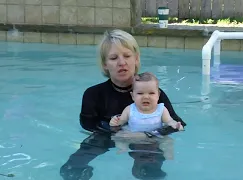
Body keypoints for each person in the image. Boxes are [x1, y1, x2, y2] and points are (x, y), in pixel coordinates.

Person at [60, 29, 186, 179]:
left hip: (148, 140)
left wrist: (144, 135)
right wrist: (118, 133)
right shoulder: (93, 94)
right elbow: (87, 124)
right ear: (105, 64)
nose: (122, 62)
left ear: (136, 59)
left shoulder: (152, 93)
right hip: (105, 138)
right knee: (70, 170)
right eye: (114, 58)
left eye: (127, 56)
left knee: (149, 173)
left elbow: (177, 124)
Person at [109, 72, 184, 155]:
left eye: (151, 93)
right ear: (133, 96)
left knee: (168, 141)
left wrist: (175, 125)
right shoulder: (130, 109)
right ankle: (123, 148)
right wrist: (114, 121)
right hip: (133, 137)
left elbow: (169, 121)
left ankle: (168, 154)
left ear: (158, 95)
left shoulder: (161, 109)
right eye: (140, 93)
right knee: (117, 137)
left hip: (155, 137)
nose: (146, 96)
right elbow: (120, 122)